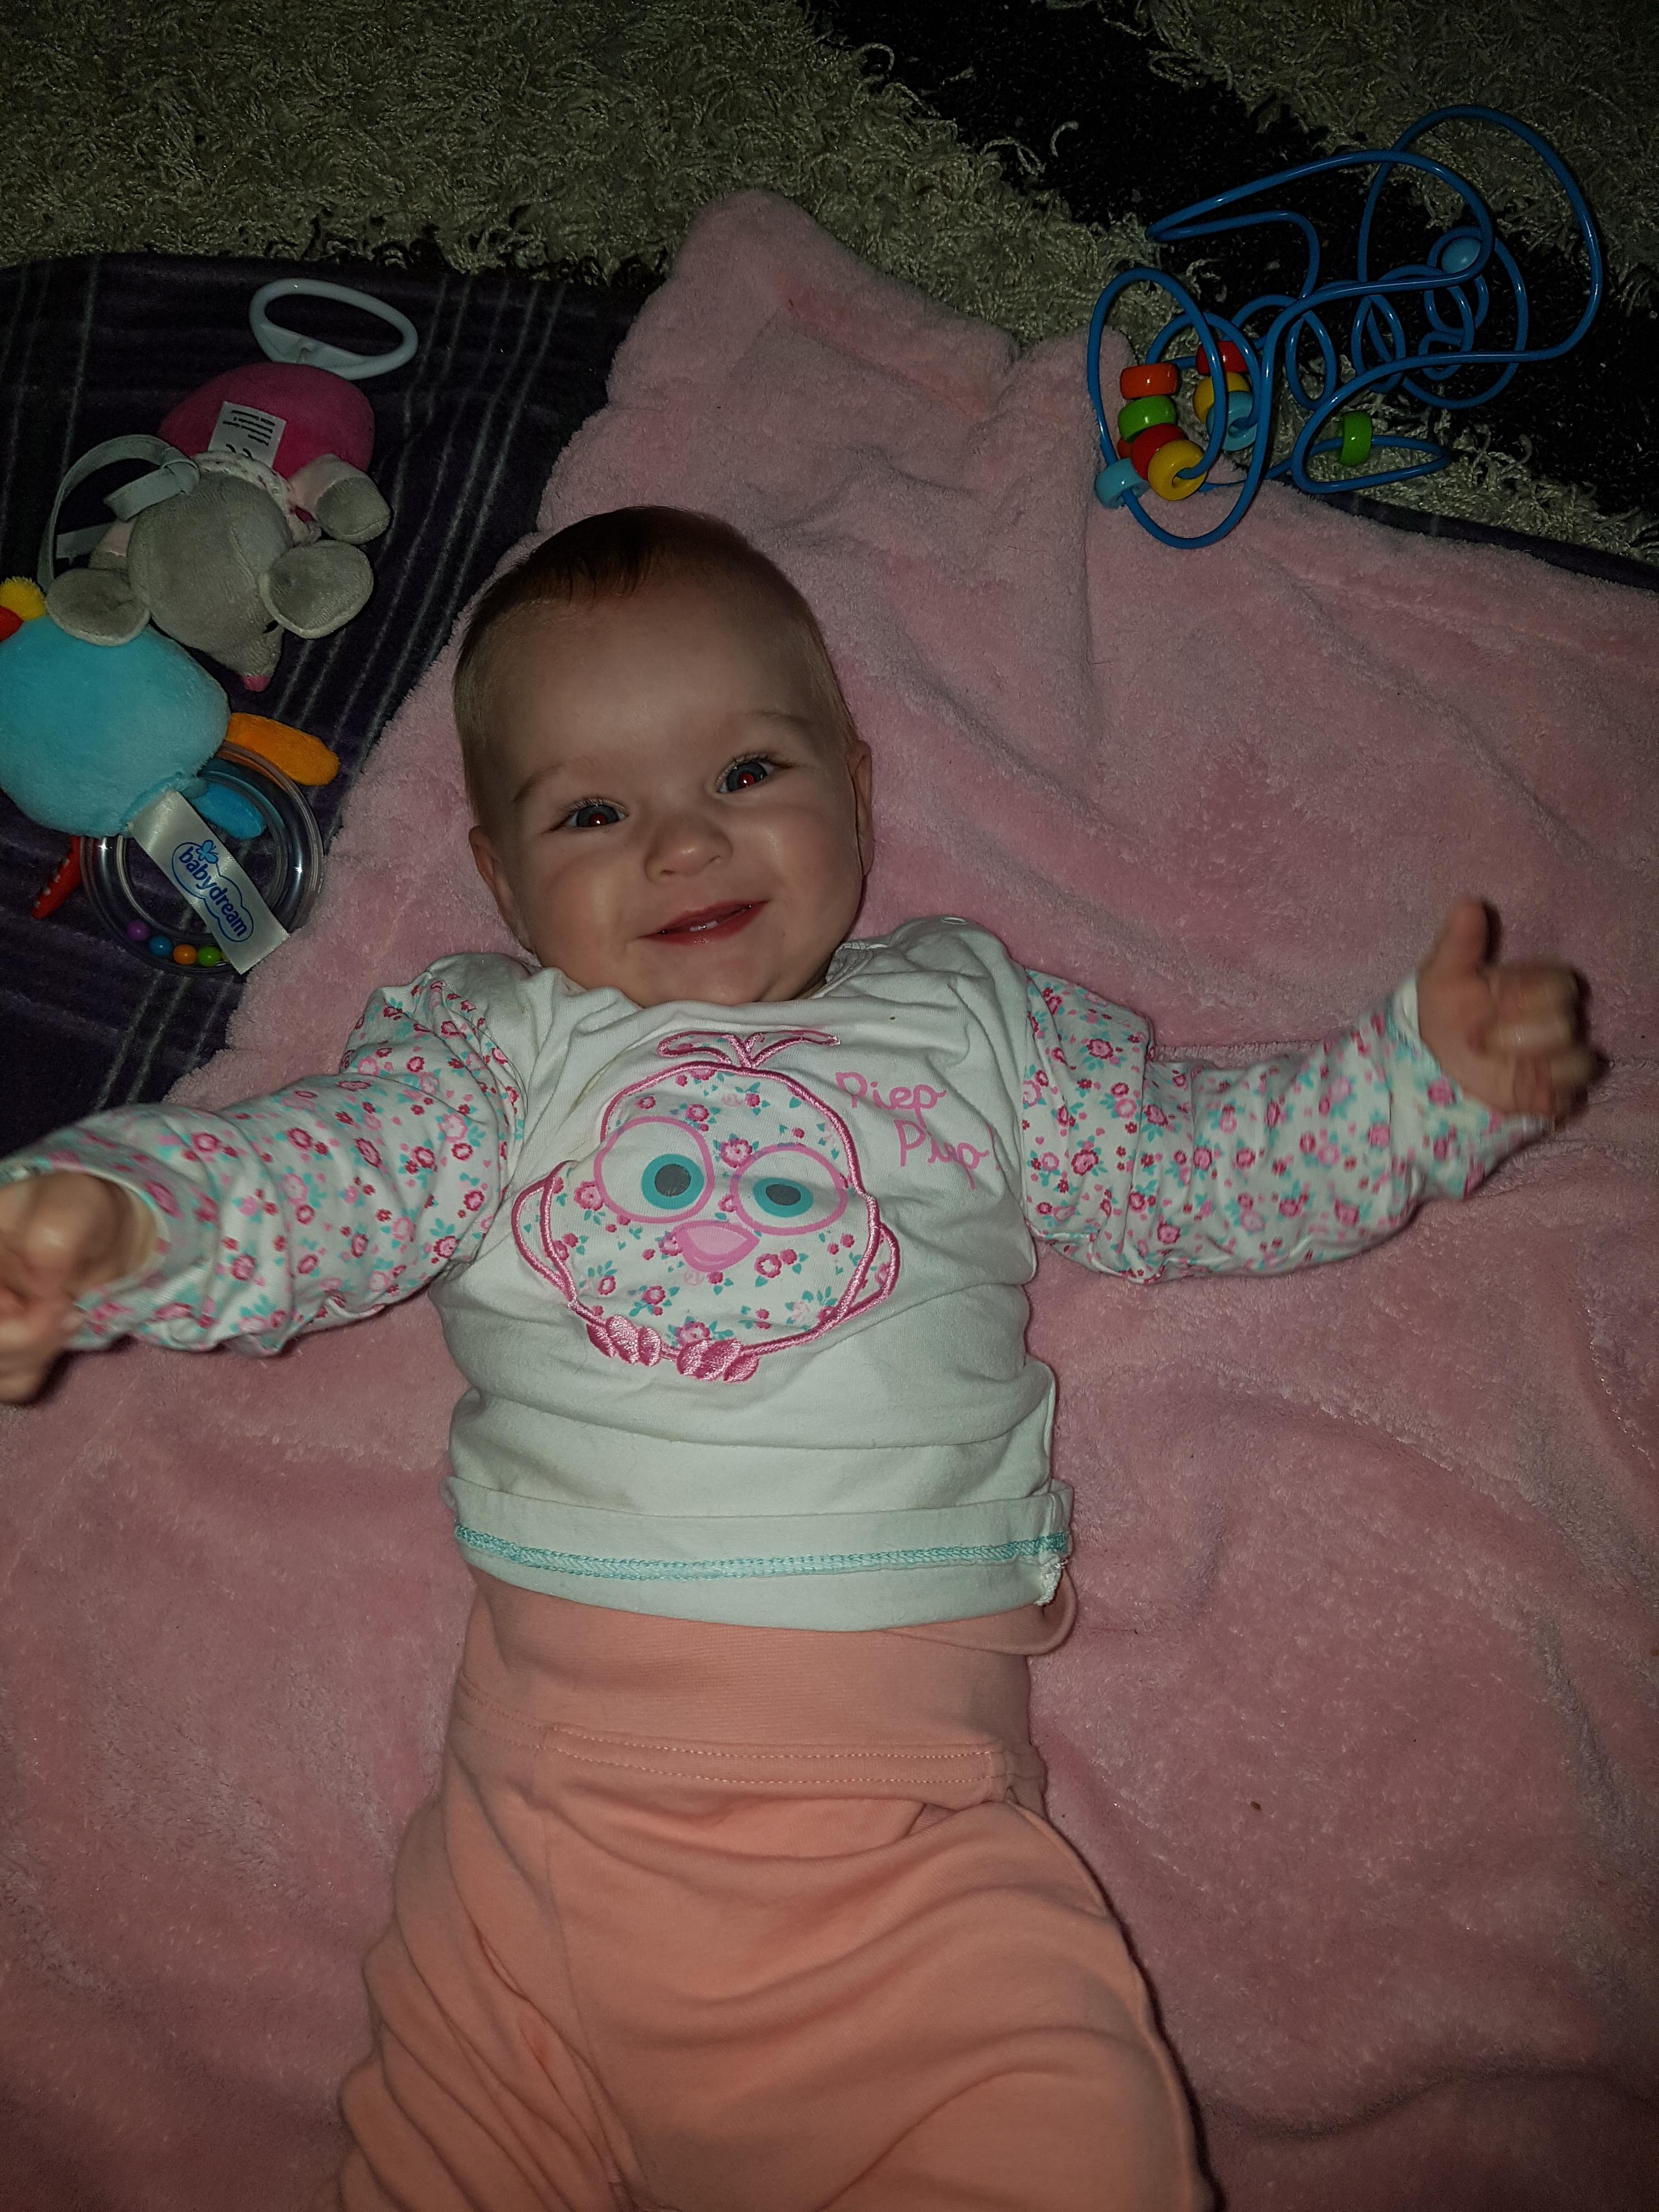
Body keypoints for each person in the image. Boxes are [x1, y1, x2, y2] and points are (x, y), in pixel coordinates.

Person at [0, 508, 1598, 2211]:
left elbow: (1190, 1169)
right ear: (500, 879)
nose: (684, 844)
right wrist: (125, 1218)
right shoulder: (500, 1048)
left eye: (747, 772)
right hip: (541, 1835)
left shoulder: (976, 1022)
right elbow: (327, 1177)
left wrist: (1410, 1098)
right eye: (594, 812)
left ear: (856, 782)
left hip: (895, 1844)